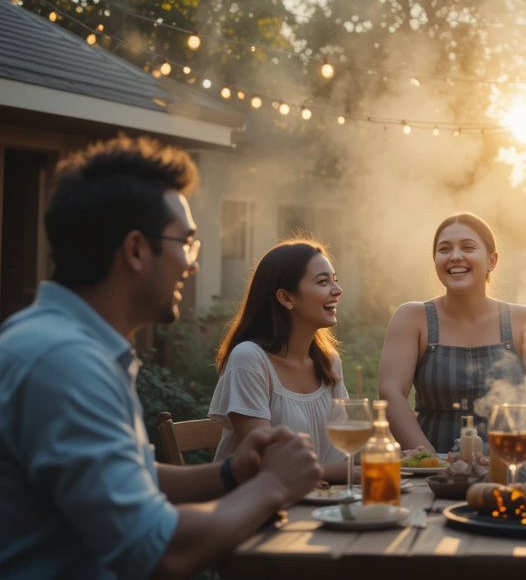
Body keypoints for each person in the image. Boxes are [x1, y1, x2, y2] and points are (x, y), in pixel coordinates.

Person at [0, 136, 321, 580]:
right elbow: (159, 551)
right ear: (136, 250)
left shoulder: (65, 343)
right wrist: (273, 485)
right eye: (186, 242)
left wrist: (232, 472)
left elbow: (131, 474)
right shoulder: (63, 362)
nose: (191, 265)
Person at [377, 212, 526, 453]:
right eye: (444, 249)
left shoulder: (524, 320)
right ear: (435, 260)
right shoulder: (412, 317)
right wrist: (430, 460)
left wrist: (525, 454)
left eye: (468, 247)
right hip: (431, 467)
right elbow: (390, 393)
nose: (455, 256)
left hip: (507, 462)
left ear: (492, 261)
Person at [210, 240, 352, 482]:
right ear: (286, 298)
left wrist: (395, 457)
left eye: (335, 279)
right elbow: (266, 463)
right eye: (322, 282)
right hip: (256, 509)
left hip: (321, 504)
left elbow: (344, 450)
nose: (337, 290)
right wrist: (353, 474)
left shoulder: (328, 361)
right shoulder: (249, 359)